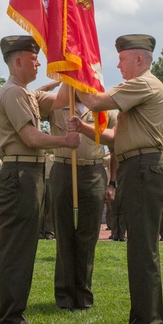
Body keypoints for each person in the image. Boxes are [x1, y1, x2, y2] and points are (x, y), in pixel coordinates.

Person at [70, 34, 163, 324]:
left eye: (122, 59)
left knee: (142, 249)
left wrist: (74, 73)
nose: (117, 64)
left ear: (139, 60)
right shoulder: (141, 87)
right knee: (140, 248)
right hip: (137, 167)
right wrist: (84, 128)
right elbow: (117, 138)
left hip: (143, 169)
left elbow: (97, 101)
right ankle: (143, 319)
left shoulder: (143, 83)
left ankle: (147, 322)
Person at [0, 35, 80, 324]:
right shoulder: (13, 94)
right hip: (21, 174)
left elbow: (59, 100)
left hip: (29, 174)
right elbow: (30, 137)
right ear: (18, 61)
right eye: (33, 58)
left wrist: (71, 67)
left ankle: (13, 315)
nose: (39, 62)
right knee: (18, 248)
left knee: (23, 246)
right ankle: (10, 318)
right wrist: (63, 141)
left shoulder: (26, 93)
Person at [46, 104, 114, 310]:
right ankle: (65, 296)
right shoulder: (55, 105)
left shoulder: (104, 109)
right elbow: (31, 102)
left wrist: (113, 183)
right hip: (63, 169)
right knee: (63, 234)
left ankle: (83, 296)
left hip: (93, 171)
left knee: (88, 235)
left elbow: (115, 145)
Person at [39, 152, 55, 239]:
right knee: (40, 207)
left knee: (49, 207)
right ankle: (40, 231)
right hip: (40, 179)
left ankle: (49, 231)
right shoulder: (40, 155)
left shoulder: (53, 156)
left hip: (50, 180)